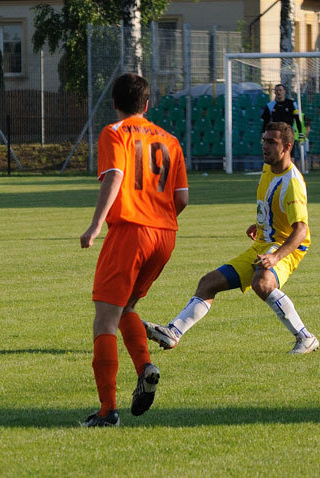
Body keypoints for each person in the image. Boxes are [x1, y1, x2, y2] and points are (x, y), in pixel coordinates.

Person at [145, 122, 319, 355]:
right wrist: (260, 224)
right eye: (264, 141)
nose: (265, 146)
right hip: (264, 243)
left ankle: (305, 337)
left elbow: (300, 230)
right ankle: (173, 333)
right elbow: (272, 205)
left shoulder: (293, 184)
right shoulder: (269, 168)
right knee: (208, 282)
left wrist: (276, 257)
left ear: (287, 146)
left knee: (263, 283)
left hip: (286, 247)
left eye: (272, 142)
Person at [79, 73, 188, 427]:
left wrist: (96, 225)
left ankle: (107, 410)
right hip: (165, 236)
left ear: (114, 103)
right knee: (126, 307)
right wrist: (159, 216)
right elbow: (182, 198)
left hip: (131, 233)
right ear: (146, 104)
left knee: (104, 320)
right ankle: (145, 367)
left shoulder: (115, 132)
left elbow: (115, 176)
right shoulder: (170, 140)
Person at [261, 84, 305, 158]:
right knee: (277, 155)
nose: (278, 92)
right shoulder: (270, 105)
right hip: (276, 135)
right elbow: (266, 121)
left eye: (280, 90)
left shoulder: (292, 104)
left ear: (284, 92)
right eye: (277, 90)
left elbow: (297, 119)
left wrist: (300, 133)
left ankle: (290, 169)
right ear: (274, 92)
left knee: (290, 156)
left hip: (289, 134)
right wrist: (263, 133)